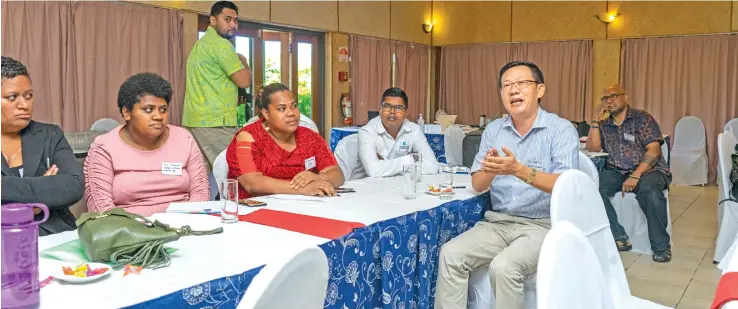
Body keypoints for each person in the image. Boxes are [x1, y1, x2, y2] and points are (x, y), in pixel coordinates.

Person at [435, 61, 579, 309]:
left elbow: (566, 186)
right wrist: (491, 170)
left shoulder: (561, 130)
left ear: (540, 90)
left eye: (522, 83)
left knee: (504, 267)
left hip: (543, 225)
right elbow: (478, 184)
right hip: (498, 223)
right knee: (451, 254)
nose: (513, 90)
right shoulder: (493, 130)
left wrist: (518, 170)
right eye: (506, 86)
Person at [84, 73, 209, 216]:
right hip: (130, 230)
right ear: (126, 112)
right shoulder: (104, 147)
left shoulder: (183, 139)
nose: (158, 116)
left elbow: (200, 193)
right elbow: (101, 208)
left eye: (163, 109)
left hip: (184, 227)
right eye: (148, 110)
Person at [586, 84, 672, 263]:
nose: (609, 101)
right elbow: (593, 148)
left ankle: (661, 247)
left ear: (625, 98)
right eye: (605, 98)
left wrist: (636, 175)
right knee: (593, 188)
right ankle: (618, 236)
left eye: (614, 96)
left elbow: (654, 150)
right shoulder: (605, 124)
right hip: (617, 171)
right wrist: (595, 119)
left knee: (650, 191)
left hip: (649, 170)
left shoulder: (642, 119)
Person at [0, 56, 84, 236]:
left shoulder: (49, 135)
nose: (24, 105)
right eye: (12, 97)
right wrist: (42, 190)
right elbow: (55, 188)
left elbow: (73, 185)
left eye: (28, 96)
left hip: (55, 234)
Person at [225, 83, 343, 199]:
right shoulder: (248, 137)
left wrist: (317, 178)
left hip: (303, 206)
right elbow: (252, 183)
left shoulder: (310, 137)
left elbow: (337, 174)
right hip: (254, 210)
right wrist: (303, 189)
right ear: (266, 113)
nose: (291, 113)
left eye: (294, 106)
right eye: (281, 108)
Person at [183, 1, 252, 168]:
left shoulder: (201, 44)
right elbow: (245, 81)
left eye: (235, 20)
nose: (233, 25)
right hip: (215, 122)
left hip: (195, 120)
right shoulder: (221, 45)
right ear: (213, 20)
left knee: (201, 179)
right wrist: (244, 61)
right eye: (227, 19)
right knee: (237, 171)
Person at [357, 87, 439, 177]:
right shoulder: (367, 132)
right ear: (380, 109)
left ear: (406, 112)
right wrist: (410, 160)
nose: (392, 112)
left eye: (398, 108)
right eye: (387, 106)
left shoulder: (414, 130)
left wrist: (386, 166)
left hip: (403, 185)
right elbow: (373, 171)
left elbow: (432, 166)